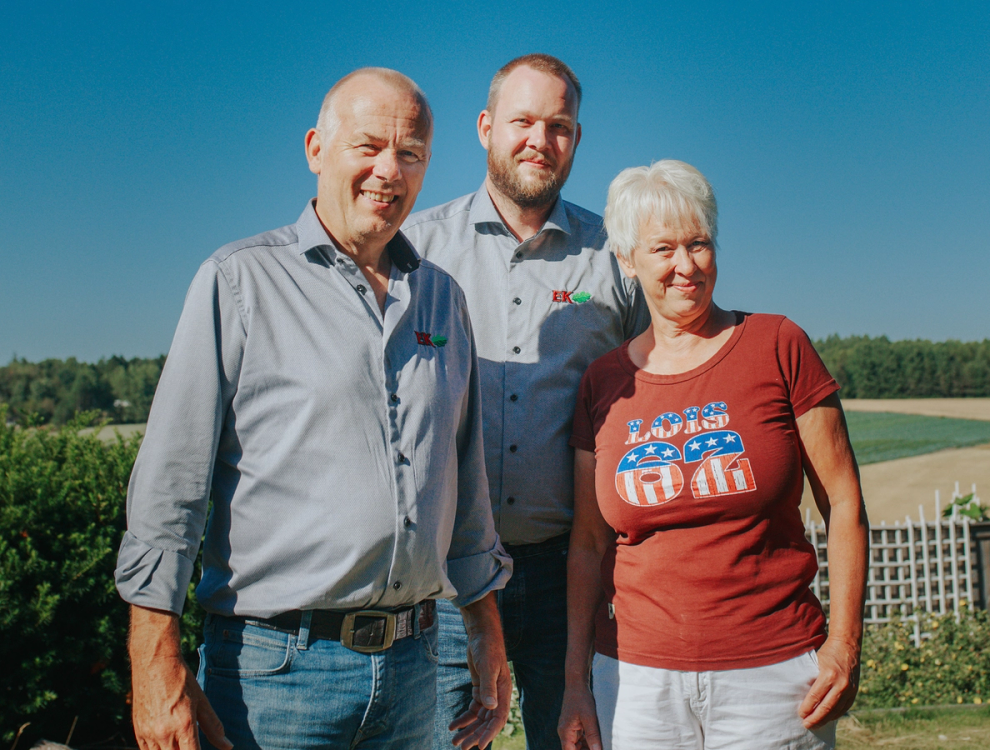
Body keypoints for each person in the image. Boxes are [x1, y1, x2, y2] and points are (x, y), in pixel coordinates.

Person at [114, 68, 513, 750]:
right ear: (315, 149)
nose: (389, 170)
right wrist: (154, 665)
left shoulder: (442, 299)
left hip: (416, 667)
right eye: (369, 146)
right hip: (275, 677)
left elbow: (464, 478)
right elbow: (171, 487)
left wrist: (484, 626)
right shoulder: (239, 282)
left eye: (411, 154)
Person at [557, 160, 869, 750]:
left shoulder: (779, 345)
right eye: (664, 249)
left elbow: (845, 503)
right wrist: (576, 681)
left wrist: (845, 644)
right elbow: (589, 545)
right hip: (635, 680)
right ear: (628, 261)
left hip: (775, 677)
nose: (686, 266)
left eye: (699, 244)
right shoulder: (603, 383)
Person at [402, 54, 648, 750]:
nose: (541, 139)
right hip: (443, 581)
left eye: (560, 125)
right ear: (485, 128)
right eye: (523, 121)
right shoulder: (416, 251)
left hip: (571, 573)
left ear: (576, 139)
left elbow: (654, 395)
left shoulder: (614, 259)